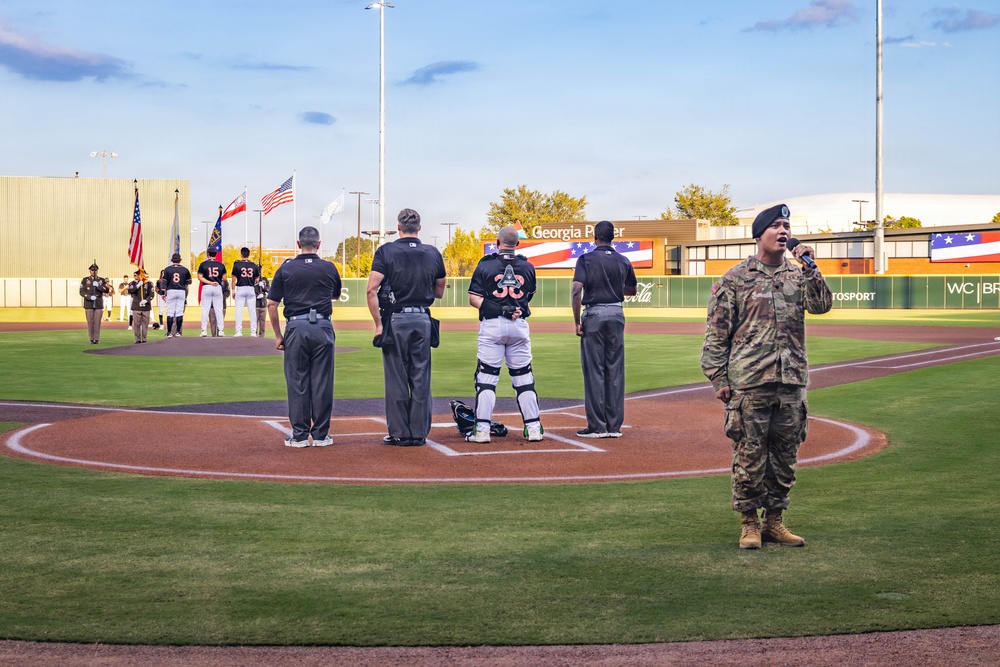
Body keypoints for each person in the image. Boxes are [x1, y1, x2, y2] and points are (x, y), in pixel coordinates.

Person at [700, 203, 833, 550]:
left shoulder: (797, 274)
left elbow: (821, 306)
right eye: (775, 225)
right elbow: (716, 334)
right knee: (749, 455)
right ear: (759, 234)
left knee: (785, 457)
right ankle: (749, 524)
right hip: (749, 382)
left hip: (790, 382)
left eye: (787, 225)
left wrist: (811, 268)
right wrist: (719, 380)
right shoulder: (736, 279)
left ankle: (775, 521)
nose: (783, 231)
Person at [366, 208, 446, 447]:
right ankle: (419, 434)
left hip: (396, 320)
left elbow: (371, 289)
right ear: (419, 228)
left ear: (398, 227)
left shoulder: (386, 251)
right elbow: (439, 291)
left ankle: (400, 433)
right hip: (422, 319)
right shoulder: (433, 253)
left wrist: (378, 324)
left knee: (397, 379)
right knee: (420, 377)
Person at [267, 226, 342, 448]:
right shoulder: (329, 267)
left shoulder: (286, 268)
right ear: (319, 244)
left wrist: (278, 336)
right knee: (322, 382)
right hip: (322, 326)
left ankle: (299, 436)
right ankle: (320, 435)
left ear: (298, 244)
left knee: (297, 382)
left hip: (296, 327)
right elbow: (336, 295)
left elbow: (272, 305)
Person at [465, 226, 543, 443]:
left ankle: (481, 430)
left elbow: (474, 299)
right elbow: (528, 297)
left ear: (497, 243)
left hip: (492, 326)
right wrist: (515, 308)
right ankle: (534, 428)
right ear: (517, 244)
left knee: (487, 379)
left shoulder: (486, 265)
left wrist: (498, 309)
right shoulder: (528, 266)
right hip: (519, 324)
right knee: (523, 378)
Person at [571, 220, 637, 438]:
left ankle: (597, 426)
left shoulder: (586, 259)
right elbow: (631, 290)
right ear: (613, 237)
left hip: (594, 315)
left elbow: (576, 291)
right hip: (617, 314)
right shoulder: (623, 259)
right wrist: (614, 288)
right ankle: (614, 426)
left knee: (594, 371)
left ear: (595, 236)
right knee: (615, 370)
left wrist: (576, 321)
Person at [197, 248, 227, 337]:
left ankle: (204, 330)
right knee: (219, 310)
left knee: (205, 310)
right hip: (217, 286)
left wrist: (209, 282)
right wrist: (216, 281)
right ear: (216, 254)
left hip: (207, 286)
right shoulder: (221, 265)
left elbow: (200, 277)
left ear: (208, 254)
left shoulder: (203, 264)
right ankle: (221, 331)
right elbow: (224, 278)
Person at [80, 262, 112, 344]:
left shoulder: (101, 280)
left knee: (97, 322)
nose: (93, 272)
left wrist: (98, 285)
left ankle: (96, 339)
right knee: (90, 322)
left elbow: (106, 289)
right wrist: (89, 296)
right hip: (89, 303)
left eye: (95, 270)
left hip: (98, 303)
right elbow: (82, 291)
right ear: (89, 271)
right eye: (92, 270)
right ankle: (91, 339)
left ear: (97, 271)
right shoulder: (85, 280)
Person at [231, 247, 260, 337]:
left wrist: (233, 291)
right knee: (252, 311)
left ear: (241, 254)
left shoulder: (237, 265)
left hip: (241, 288)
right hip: (250, 288)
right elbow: (257, 279)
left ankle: (238, 331)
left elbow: (233, 279)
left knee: (239, 311)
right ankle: (253, 332)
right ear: (248, 254)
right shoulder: (254, 265)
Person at [161, 253, 192, 338]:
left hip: (171, 290)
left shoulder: (167, 269)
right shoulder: (185, 270)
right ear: (180, 260)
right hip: (181, 291)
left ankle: (169, 332)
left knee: (170, 312)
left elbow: (164, 282)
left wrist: (163, 292)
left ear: (172, 260)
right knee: (179, 312)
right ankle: (178, 332)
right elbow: (189, 281)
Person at [128, 270, 154, 344]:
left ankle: (144, 338)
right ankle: (137, 339)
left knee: (145, 324)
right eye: (140, 274)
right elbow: (130, 291)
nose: (141, 276)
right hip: (136, 306)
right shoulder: (132, 283)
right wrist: (137, 286)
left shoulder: (149, 284)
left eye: (143, 274)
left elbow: (151, 294)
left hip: (146, 307)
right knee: (136, 324)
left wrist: (146, 300)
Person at [255, 273, 270, 338]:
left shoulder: (264, 280)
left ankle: (262, 336)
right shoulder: (253, 280)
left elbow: (269, 290)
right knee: (254, 321)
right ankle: (254, 334)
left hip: (263, 304)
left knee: (262, 321)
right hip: (255, 304)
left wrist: (263, 287)